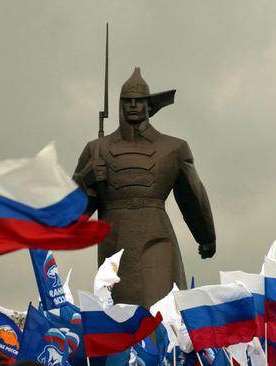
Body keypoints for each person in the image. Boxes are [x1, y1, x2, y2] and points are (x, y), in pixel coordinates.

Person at [73, 67, 216, 308]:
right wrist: (86, 180)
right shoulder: (96, 149)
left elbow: (193, 196)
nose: (133, 106)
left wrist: (206, 236)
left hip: (156, 237)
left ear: (150, 105)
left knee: (159, 312)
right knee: (118, 318)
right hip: (113, 241)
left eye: (139, 101)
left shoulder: (174, 148)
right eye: (127, 101)